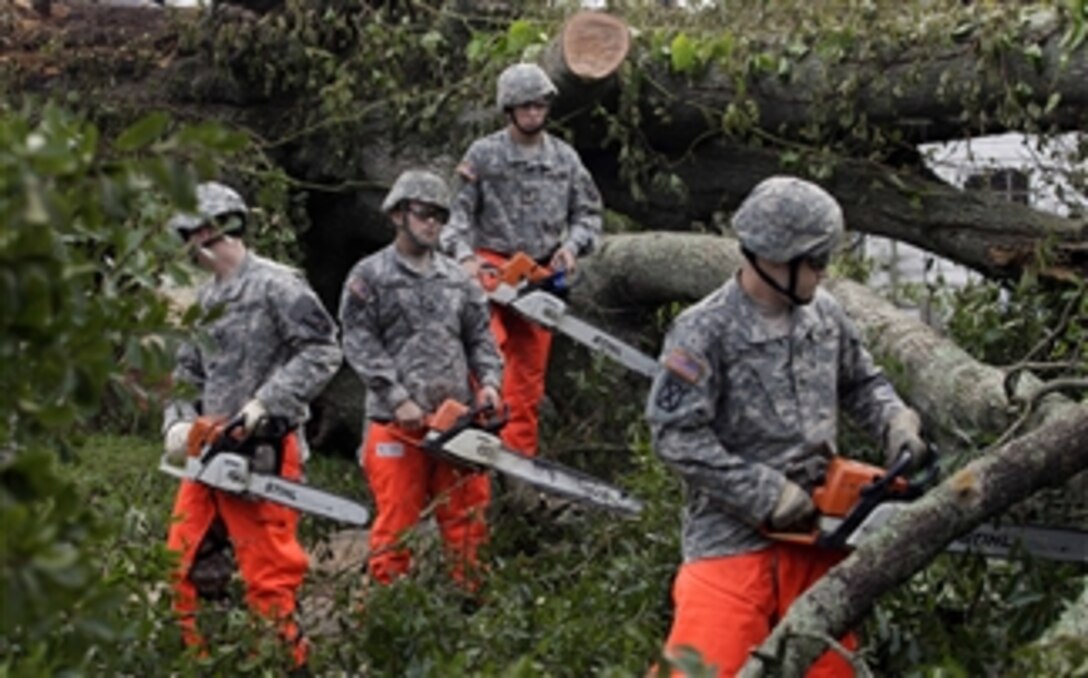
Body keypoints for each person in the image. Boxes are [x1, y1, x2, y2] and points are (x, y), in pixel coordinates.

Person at [645, 176, 931, 677]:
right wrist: (764, 493)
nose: (823, 273)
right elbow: (675, 436)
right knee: (702, 670)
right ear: (777, 256)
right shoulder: (703, 330)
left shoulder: (826, 316)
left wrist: (895, 422)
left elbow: (864, 382)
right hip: (731, 546)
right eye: (816, 262)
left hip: (821, 539)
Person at [161, 181, 342, 668]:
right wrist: (177, 424)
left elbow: (323, 349)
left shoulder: (278, 285)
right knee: (182, 561)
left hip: (266, 447)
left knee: (268, 577)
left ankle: (285, 663)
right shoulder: (203, 302)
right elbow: (186, 373)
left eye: (211, 231)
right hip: (208, 453)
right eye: (195, 234)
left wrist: (267, 403)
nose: (205, 243)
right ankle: (201, 660)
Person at [339, 170, 503, 588]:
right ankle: (388, 616)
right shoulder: (369, 276)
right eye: (424, 213)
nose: (432, 223)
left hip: (455, 421)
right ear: (398, 214)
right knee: (396, 526)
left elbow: (481, 339)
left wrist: (489, 383)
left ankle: (470, 610)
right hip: (397, 425)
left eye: (440, 216)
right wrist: (396, 397)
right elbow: (358, 342)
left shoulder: (457, 281)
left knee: (468, 526)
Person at [441, 62, 603, 458]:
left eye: (539, 106)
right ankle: (469, 444)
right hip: (491, 266)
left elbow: (589, 214)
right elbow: (454, 218)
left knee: (528, 380)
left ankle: (517, 465)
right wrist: (465, 259)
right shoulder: (484, 155)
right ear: (508, 109)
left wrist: (572, 246)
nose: (533, 114)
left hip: (541, 271)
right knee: (485, 354)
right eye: (525, 106)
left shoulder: (564, 159)